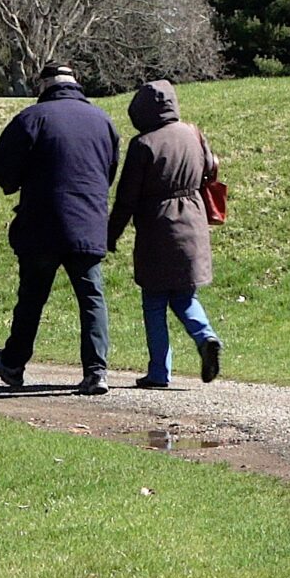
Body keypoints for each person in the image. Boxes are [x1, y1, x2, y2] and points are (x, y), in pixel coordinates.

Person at [0, 63, 119, 396]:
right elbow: (109, 171)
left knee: (31, 297)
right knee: (91, 298)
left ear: (44, 85)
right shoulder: (103, 121)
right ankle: (96, 371)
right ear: (76, 84)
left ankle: (12, 363)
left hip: (41, 223)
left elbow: (4, 170)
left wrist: (16, 183)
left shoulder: (32, 118)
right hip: (87, 223)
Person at [107, 80, 223, 389]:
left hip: (157, 227)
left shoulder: (143, 144)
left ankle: (159, 371)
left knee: (155, 301)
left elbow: (126, 198)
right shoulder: (194, 134)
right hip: (194, 221)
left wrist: (111, 234)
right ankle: (206, 336)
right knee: (185, 295)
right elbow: (210, 170)